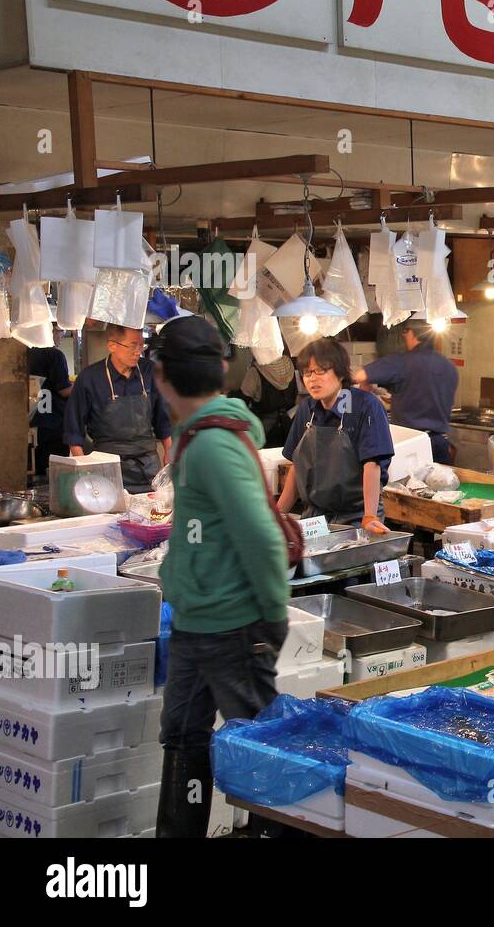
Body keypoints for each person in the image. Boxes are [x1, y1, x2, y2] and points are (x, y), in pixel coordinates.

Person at [151, 317, 290, 837]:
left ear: (163, 375)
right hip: (194, 623)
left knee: (259, 746)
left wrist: (270, 622)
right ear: (223, 370)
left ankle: (275, 831)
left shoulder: (213, 445)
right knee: (183, 736)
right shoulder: (194, 439)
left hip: (234, 627)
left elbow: (262, 536)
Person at [277, 338, 394, 531]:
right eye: (307, 373)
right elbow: (298, 465)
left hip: (357, 517)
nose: (312, 379)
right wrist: (279, 513)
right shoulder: (307, 408)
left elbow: (371, 464)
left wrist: (369, 516)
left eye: (320, 371)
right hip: (315, 518)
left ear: (340, 372)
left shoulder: (364, 406)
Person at [63, 324, 173, 493]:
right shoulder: (89, 378)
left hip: (148, 469)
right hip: (106, 470)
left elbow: (163, 420)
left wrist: (169, 452)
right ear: (112, 345)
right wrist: (85, 469)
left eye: (141, 345)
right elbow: (73, 431)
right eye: (132, 345)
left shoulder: (150, 371)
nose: (138, 351)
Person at [353, 320, 459, 463]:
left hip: (410, 445)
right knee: (438, 485)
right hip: (440, 444)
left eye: (405, 332)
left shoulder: (401, 362)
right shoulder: (449, 367)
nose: (404, 336)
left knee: (407, 485)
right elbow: (427, 394)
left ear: (412, 334)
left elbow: (359, 376)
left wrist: (365, 387)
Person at [28, 330, 73, 475]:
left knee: (36, 469)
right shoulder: (54, 354)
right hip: (53, 422)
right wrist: (83, 385)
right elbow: (64, 390)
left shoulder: (26, 352)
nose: (61, 335)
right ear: (49, 329)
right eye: (61, 331)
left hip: (32, 420)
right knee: (57, 473)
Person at [236, 353, 300, 448]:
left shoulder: (255, 371)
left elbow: (241, 403)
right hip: (290, 427)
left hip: (264, 430)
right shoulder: (289, 364)